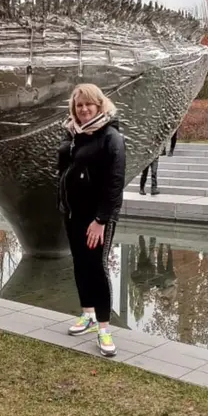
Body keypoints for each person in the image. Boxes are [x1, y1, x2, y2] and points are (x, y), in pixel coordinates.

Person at [58, 83, 126, 357]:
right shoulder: (74, 133)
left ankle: (104, 328)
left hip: (97, 217)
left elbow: (115, 184)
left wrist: (101, 220)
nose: (84, 109)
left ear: (99, 105)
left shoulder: (111, 137)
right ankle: (87, 314)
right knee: (80, 263)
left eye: (88, 104)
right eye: (79, 105)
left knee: (97, 267)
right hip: (73, 212)